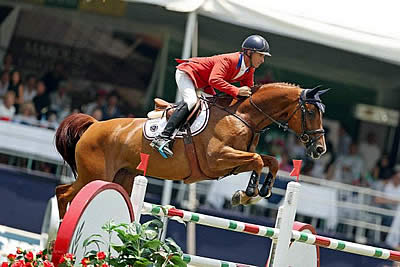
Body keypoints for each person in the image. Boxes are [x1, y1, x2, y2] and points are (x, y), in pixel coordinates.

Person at [150, 35, 271, 158]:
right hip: (188, 73)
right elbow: (214, 80)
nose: (262, 60)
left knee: (214, 108)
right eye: (261, 55)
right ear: (249, 52)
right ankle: (162, 137)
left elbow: (249, 91)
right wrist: (236, 90)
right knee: (191, 101)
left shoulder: (249, 69)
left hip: (204, 83)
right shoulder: (230, 60)